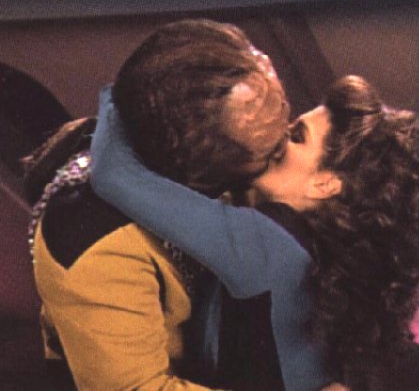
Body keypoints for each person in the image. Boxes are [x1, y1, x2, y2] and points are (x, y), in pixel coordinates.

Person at [27, 19, 339, 390]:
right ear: (204, 176)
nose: (285, 137)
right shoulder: (93, 244)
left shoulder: (226, 146)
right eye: (272, 155)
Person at [90, 74, 419, 390]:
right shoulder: (334, 258)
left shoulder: (269, 243)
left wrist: (121, 91)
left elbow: (113, 174)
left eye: (297, 136)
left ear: (325, 184)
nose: (277, 135)